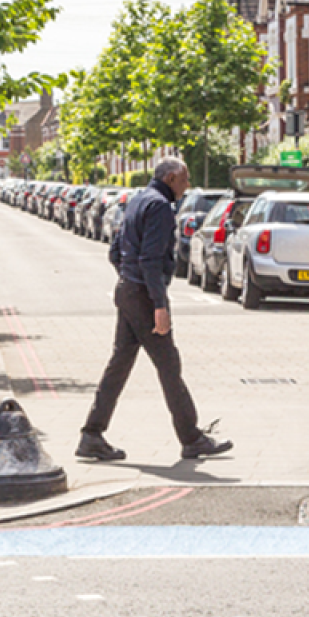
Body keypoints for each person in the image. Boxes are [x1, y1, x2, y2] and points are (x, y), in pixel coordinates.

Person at [79, 158, 232, 461]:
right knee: (169, 365)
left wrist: (128, 280)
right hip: (143, 296)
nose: (187, 186)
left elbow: (115, 251)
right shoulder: (161, 206)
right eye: (185, 179)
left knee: (120, 363)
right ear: (172, 177)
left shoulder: (137, 200)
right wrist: (158, 304)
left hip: (129, 290)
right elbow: (150, 260)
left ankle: (92, 435)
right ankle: (191, 438)